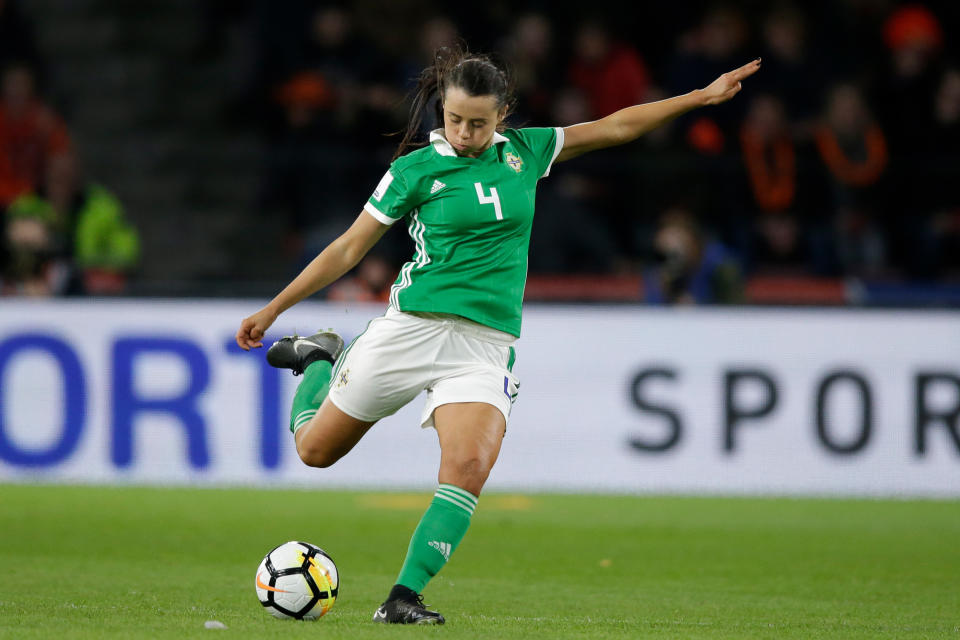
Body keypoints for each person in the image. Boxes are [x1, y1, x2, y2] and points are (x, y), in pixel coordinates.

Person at [236, 46, 760, 625]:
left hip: (483, 345)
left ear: (503, 114)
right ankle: (319, 358)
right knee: (314, 452)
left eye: (478, 123)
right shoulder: (415, 170)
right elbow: (348, 248)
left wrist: (699, 98)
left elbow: (617, 126)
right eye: (455, 119)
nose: (464, 132)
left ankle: (402, 598)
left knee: (467, 466)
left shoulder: (527, 152)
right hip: (412, 328)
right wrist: (276, 307)